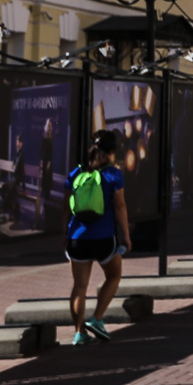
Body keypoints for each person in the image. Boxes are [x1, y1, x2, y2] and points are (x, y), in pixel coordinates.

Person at [67, 129, 131, 346]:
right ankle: (97, 318)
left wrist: (64, 233)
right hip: (104, 237)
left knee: (79, 286)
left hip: (76, 237)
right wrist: (127, 236)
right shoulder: (113, 175)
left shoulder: (76, 173)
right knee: (114, 275)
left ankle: (78, 333)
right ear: (112, 151)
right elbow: (120, 206)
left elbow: (66, 206)